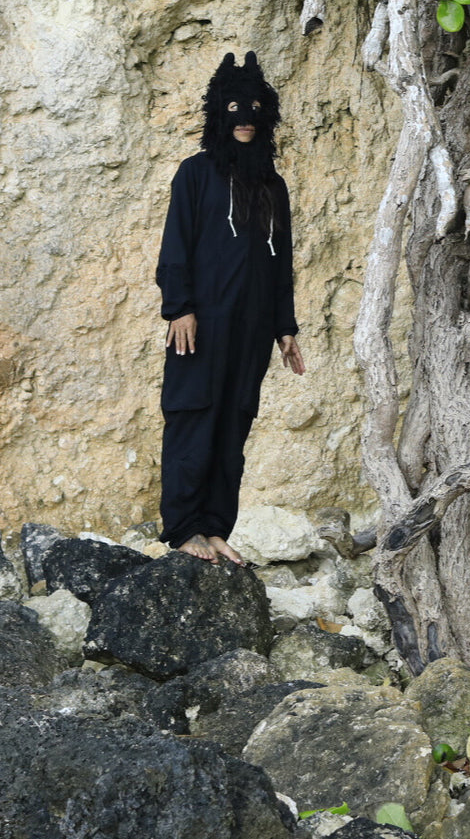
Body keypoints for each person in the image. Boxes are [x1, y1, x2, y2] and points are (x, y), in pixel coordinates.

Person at [155, 51, 305, 565]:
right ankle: (184, 529)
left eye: (256, 108)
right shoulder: (195, 175)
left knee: (233, 423)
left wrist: (284, 326)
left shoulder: (272, 186)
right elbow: (176, 246)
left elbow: (281, 260)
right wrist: (180, 309)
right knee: (193, 417)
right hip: (200, 324)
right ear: (219, 113)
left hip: (252, 327)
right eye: (236, 108)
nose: (246, 119)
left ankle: (216, 526)